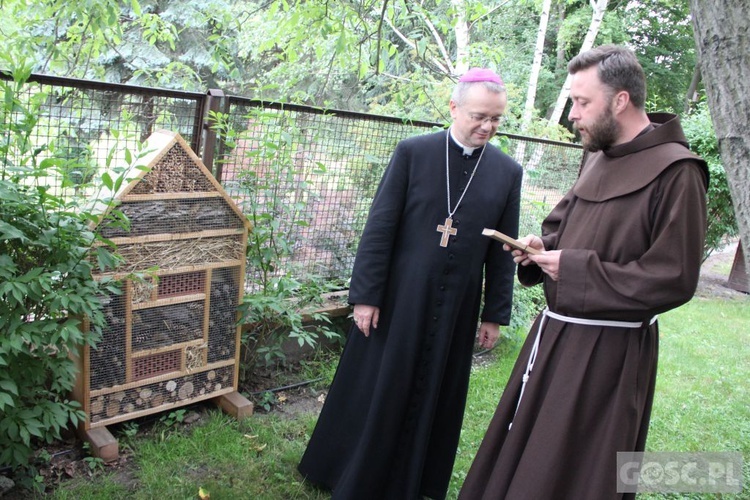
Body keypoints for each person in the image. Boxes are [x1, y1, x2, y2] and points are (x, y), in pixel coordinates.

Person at [458, 45, 709, 499]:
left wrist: (573, 267)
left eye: (582, 102)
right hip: (555, 336)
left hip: (611, 351)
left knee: (584, 463)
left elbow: (674, 276)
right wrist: (541, 248)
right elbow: (563, 227)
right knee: (531, 449)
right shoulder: (597, 154)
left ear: (620, 100)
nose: (572, 114)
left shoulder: (678, 172)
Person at [297, 68, 523, 500]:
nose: (487, 127)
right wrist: (365, 296)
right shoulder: (414, 153)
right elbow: (379, 228)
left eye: (496, 119)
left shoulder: (506, 171)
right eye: (479, 116)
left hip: (456, 307)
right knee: (379, 386)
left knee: (436, 392)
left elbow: (501, 249)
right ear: (454, 108)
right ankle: (346, 471)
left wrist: (494, 314)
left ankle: (414, 482)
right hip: (400, 299)